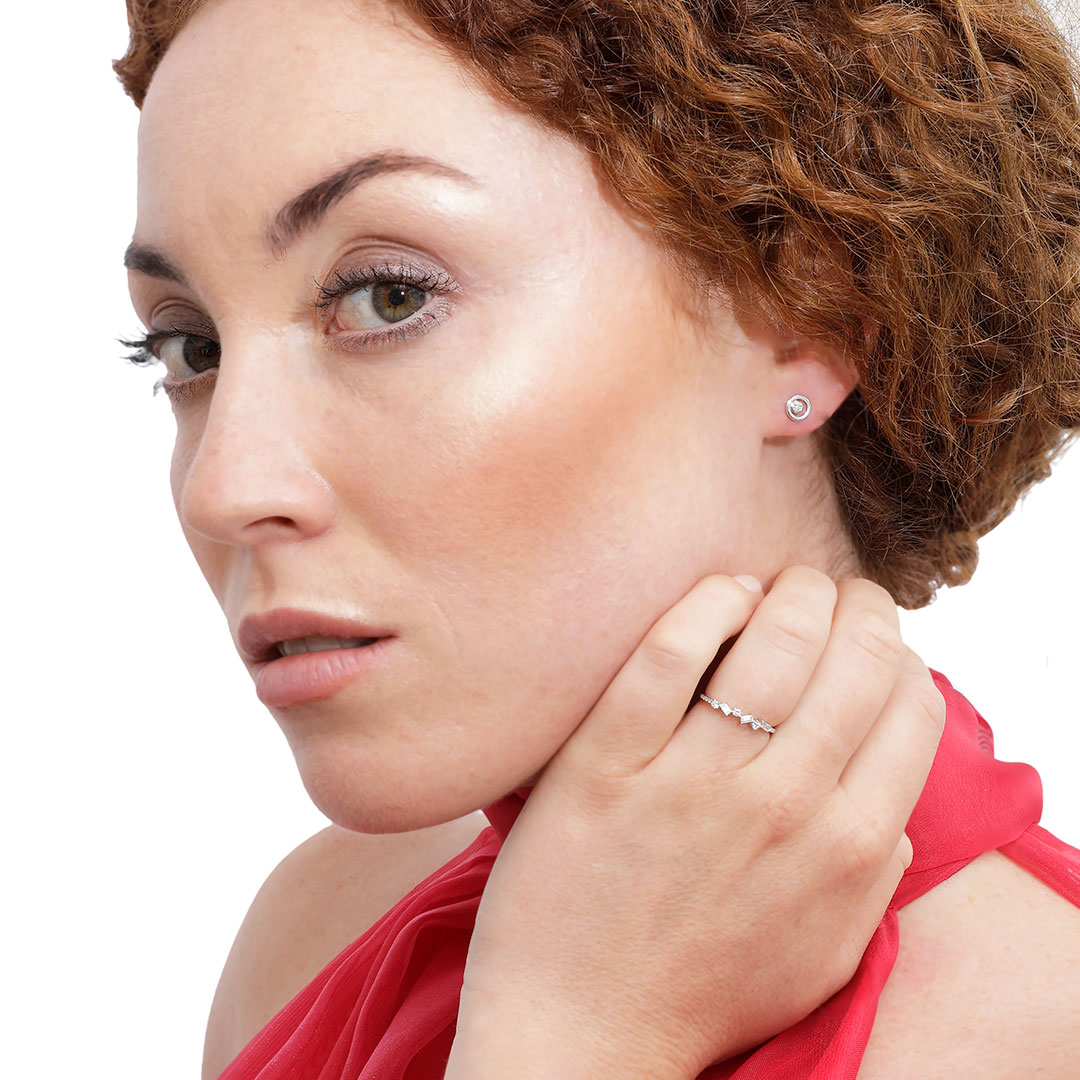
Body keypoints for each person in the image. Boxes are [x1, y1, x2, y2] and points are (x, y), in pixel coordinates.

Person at [112, 0, 1080, 1076]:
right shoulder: (318, 929)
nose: (222, 487)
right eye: (190, 348)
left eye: (388, 296)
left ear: (804, 318)